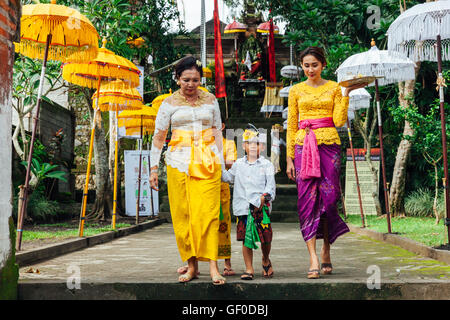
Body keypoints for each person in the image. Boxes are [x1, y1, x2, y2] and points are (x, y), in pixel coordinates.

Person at [286, 46, 366, 279]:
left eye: (314, 65)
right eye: (306, 65)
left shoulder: (334, 87)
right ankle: (312, 256)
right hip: (303, 147)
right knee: (307, 201)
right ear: (302, 66)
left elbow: (339, 120)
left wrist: (346, 94)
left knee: (329, 200)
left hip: (329, 146)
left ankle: (326, 248)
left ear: (323, 65)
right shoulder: (296, 90)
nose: (310, 69)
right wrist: (289, 157)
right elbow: (292, 124)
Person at [149, 56, 226, 285]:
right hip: (178, 163)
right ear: (177, 79)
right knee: (184, 215)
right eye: (186, 80)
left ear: (201, 79)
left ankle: (213, 266)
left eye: (195, 80)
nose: (191, 84)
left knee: (210, 214)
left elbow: (218, 132)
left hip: (208, 162)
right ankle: (192, 266)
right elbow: (159, 137)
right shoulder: (168, 104)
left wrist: (223, 161)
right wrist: (153, 168)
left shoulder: (211, 100)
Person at [176, 115, 237, 277]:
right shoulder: (199, 144)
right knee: (199, 224)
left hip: (221, 190)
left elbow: (231, 163)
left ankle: (227, 263)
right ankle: (193, 263)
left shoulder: (228, 143)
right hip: (202, 190)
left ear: (222, 126)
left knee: (222, 227)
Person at [221, 125, 276, 280]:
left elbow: (271, 187)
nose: (253, 146)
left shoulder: (267, 165)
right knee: (246, 238)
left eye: (257, 143)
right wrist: (217, 159)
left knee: (265, 238)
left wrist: (263, 198)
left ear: (262, 147)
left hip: (260, 208)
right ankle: (249, 268)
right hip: (243, 208)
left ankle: (265, 258)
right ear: (243, 146)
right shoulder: (238, 164)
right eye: (249, 143)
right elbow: (226, 177)